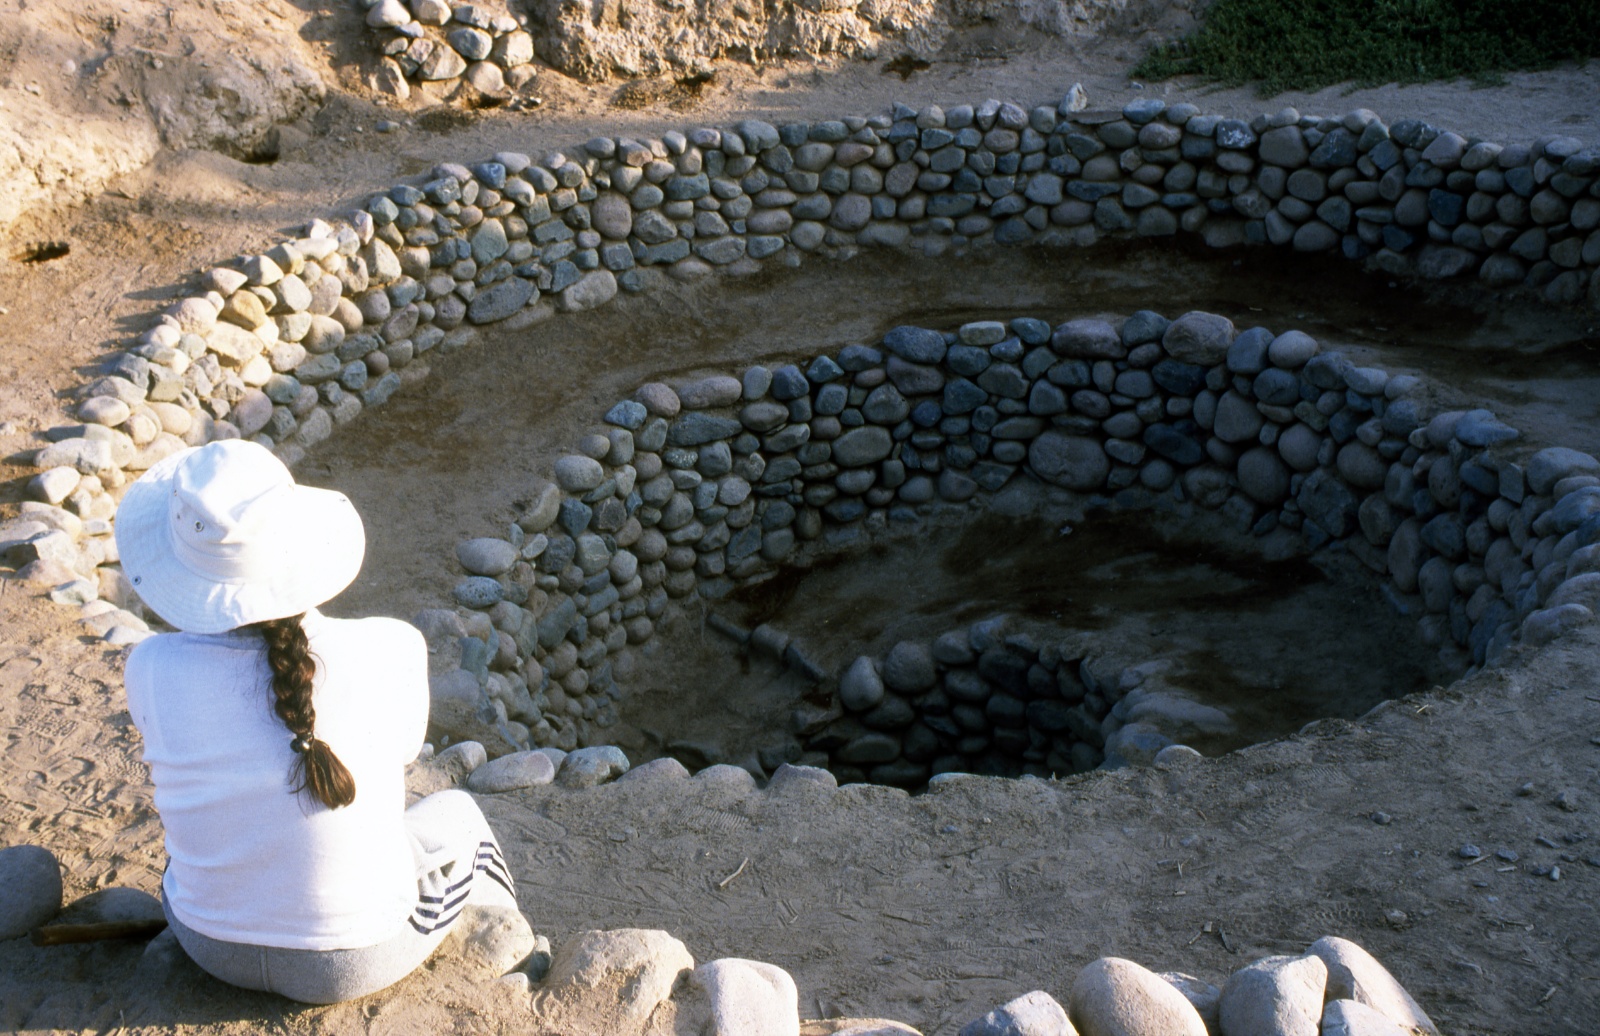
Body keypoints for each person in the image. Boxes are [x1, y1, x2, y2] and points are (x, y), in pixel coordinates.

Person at [115, 439, 523, 1004]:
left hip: (207, 943)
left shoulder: (149, 666)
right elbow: (404, 752)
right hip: (351, 959)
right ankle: (519, 955)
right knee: (459, 814)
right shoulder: (391, 645)